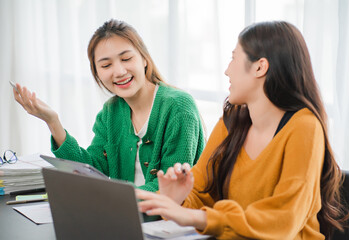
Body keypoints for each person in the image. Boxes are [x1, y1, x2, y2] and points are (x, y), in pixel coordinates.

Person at [136, 21, 349, 239]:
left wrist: (196, 217)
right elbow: (201, 193)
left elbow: (283, 220)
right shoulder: (231, 122)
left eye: (234, 58)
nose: (227, 70)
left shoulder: (304, 126)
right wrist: (178, 199)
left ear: (259, 67)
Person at [12, 19, 205, 192]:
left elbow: (171, 187)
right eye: (106, 66)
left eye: (126, 59)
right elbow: (91, 169)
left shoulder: (179, 107)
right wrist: (53, 122)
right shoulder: (110, 112)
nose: (119, 71)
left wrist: (116, 200)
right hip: (125, 217)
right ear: (97, 73)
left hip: (169, 223)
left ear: (144, 59)